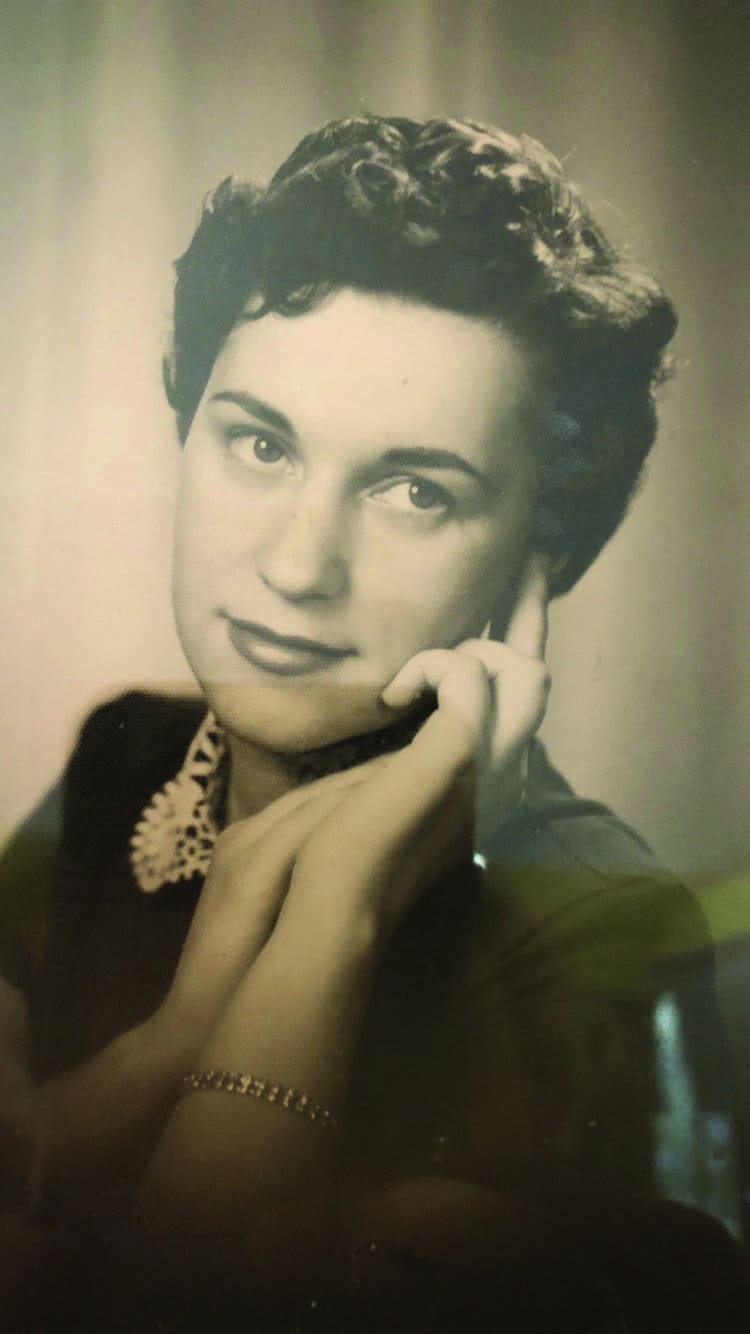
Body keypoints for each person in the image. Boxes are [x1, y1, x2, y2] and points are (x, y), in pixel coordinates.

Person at [0, 115, 745, 1330]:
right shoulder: (123, 755)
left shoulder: (601, 919)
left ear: (542, 550)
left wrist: (333, 899)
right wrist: (179, 1032)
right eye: (260, 442)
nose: (299, 565)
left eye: (414, 490)